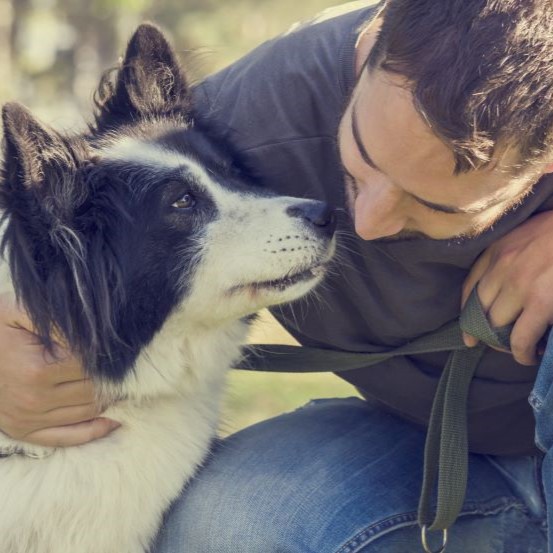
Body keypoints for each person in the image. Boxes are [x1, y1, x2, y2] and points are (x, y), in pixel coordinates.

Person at [1, 0, 553, 551]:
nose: (365, 223)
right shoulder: (245, 114)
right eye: (363, 163)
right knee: (227, 527)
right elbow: (40, 233)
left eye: (430, 204)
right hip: (421, 446)